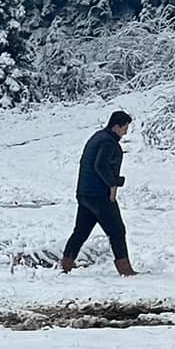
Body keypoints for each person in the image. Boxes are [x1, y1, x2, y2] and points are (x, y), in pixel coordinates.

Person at [62, 110, 137, 275]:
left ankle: (66, 264)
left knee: (81, 231)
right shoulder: (108, 143)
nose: (126, 131)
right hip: (99, 195)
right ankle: (125, 270)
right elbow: (100, 166)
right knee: (117, 230)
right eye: (125, 127)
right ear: (116, 126)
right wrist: (113, 184)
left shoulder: (99, 136)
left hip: (85, 193)